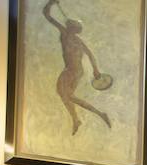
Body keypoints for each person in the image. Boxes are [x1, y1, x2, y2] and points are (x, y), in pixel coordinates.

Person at [43, 0, 111, 135]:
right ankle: (78, 119)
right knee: (67, 95)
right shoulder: (73, 38)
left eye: (71, 26)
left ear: (73, 28)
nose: (69, 27)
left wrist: (50, 4)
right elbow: (90, 55)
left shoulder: (66, 34)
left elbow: (47, 15)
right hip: (77, 71)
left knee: (65, 94)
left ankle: (94, 114)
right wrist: (95, 69)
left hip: (71, 70)